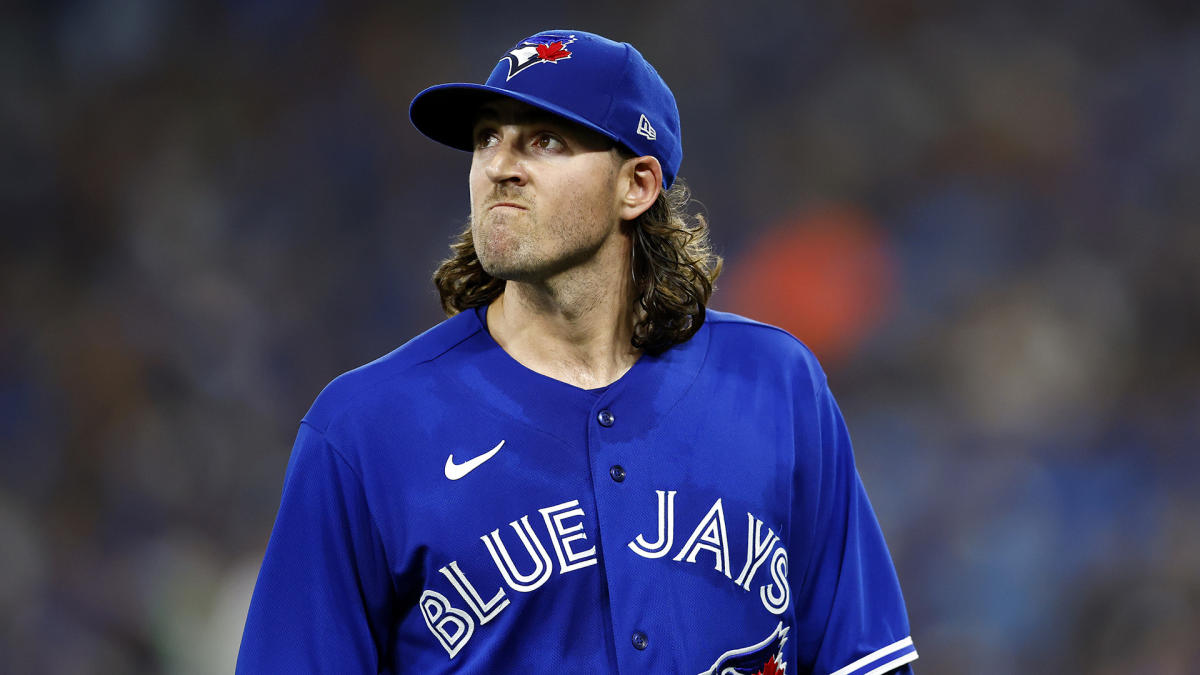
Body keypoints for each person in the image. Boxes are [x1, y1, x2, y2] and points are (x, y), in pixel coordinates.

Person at [237, 29, 917, 674]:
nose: (501, 167)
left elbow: (863, 655)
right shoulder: (365, 427)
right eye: (486, 140)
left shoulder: (775, 385)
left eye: (545, 142)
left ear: (638, 186)